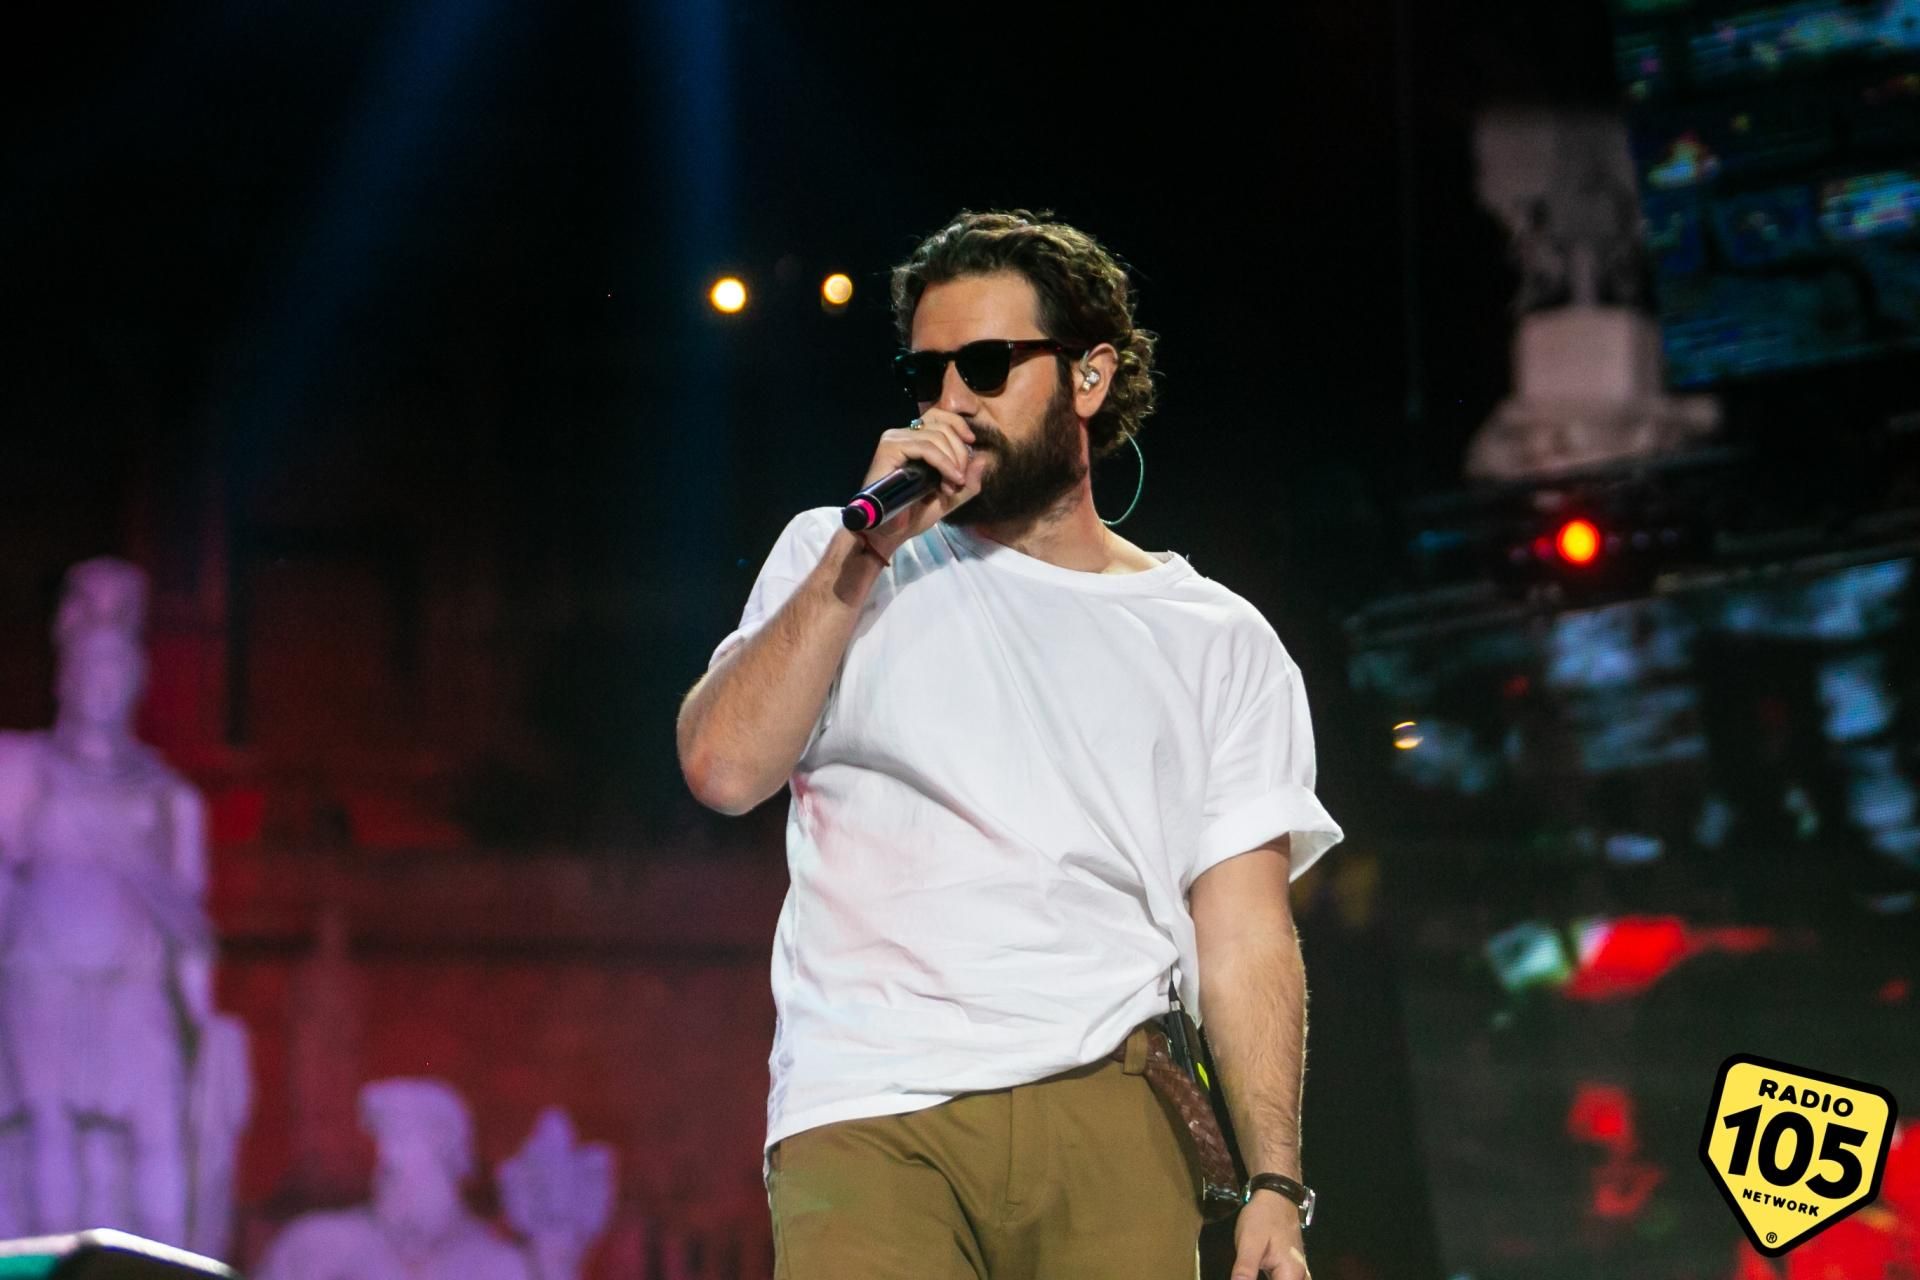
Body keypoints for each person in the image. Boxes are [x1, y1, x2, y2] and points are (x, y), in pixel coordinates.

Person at [677, 210, 1342, 1280]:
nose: (952, 399)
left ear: (1090, 376)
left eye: (986, 365)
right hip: (868, 1108)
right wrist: (861, 552)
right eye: (927, 372)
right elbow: (722, 768)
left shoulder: (1216, 636)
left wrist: (1275, 1183)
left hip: (1110, 1106)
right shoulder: (840, 556)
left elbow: (1246, 932)